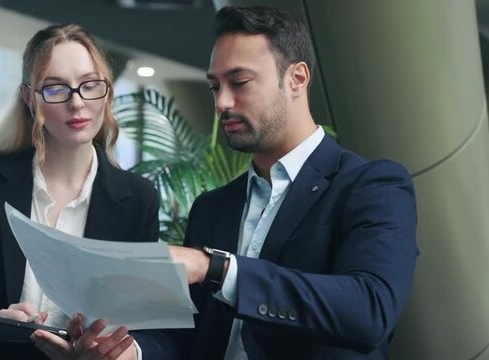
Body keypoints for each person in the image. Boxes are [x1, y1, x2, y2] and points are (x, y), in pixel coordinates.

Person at [165, 5, 418, 359]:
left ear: (297, 78)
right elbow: (186, 335)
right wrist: (128, 350)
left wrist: (218, 270)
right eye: (214, 86)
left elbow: (370, 311)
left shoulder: (372, 186)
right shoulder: (212, 207)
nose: (221, 102)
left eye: (239, 82)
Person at [0, 24, 159, 360]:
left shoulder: (137, 200)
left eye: (90, 85)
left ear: (107, 91)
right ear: (30, 98)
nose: (77, 103)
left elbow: (143, 326)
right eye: (56, 88)